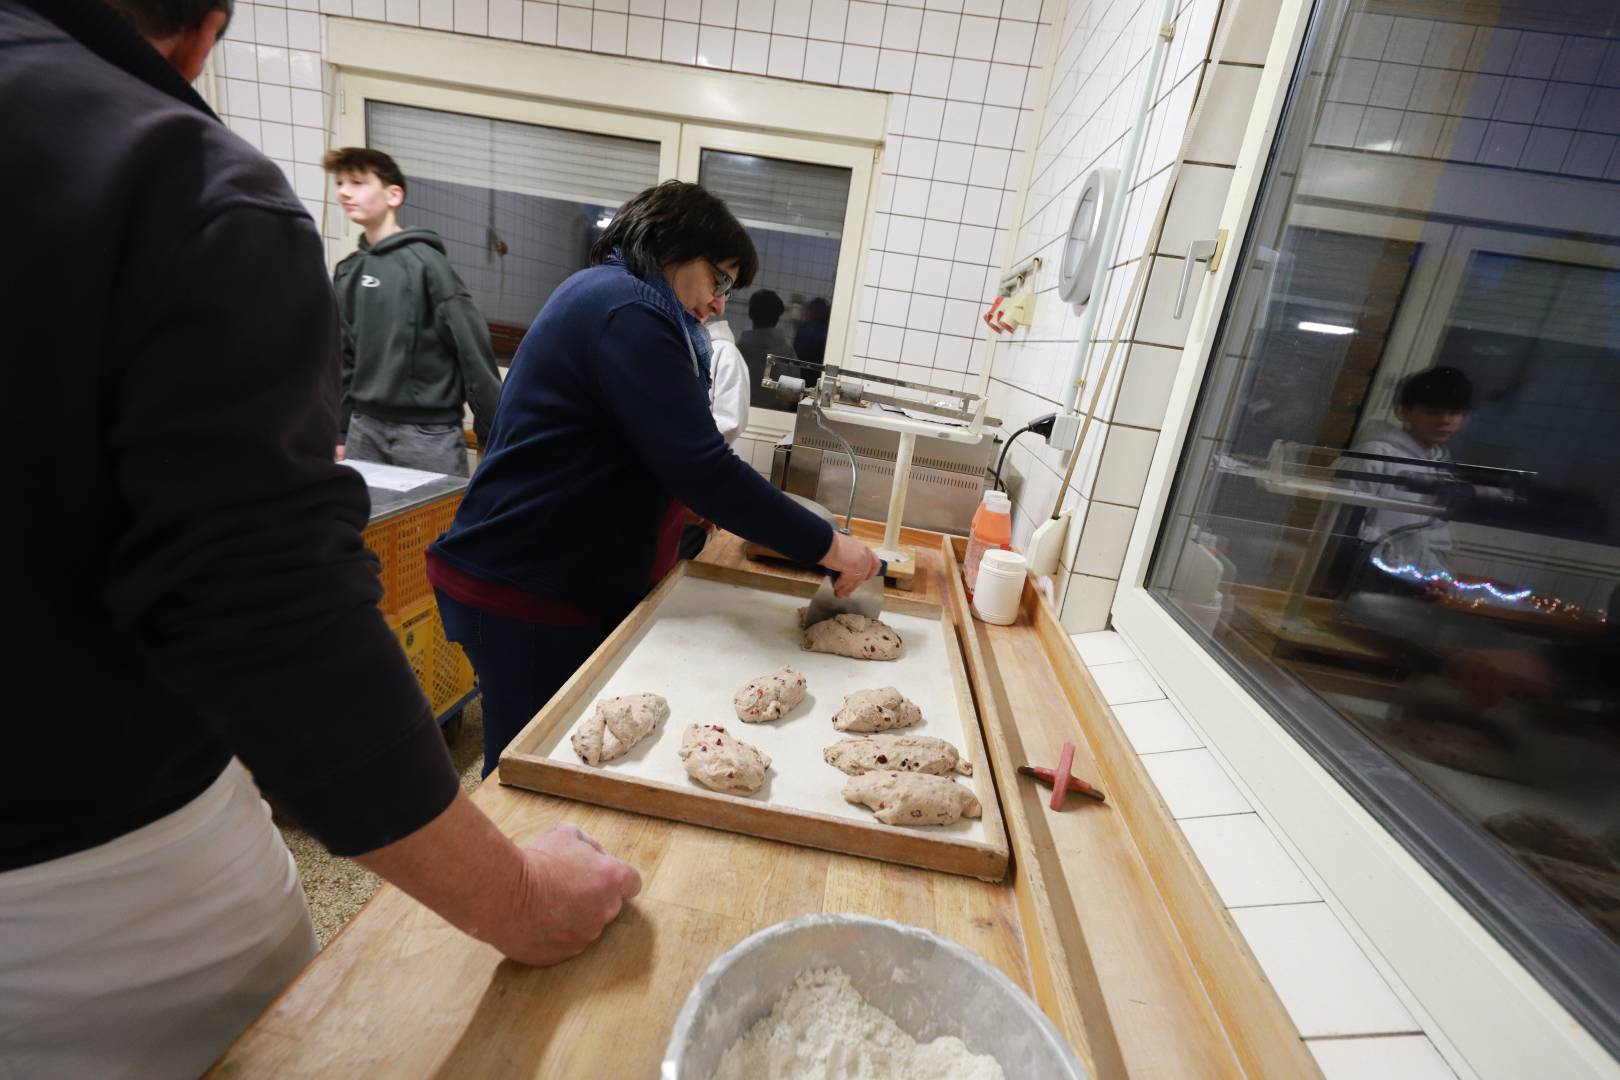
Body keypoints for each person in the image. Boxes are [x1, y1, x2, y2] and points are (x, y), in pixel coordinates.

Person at [0, 1, 639, 1074]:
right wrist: (517, 895)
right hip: (88, 894)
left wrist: (486, 444)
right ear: (205, 32)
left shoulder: (403, 259)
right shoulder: (182, 181)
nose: (345, 194)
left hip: (424, 439)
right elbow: (269, 615)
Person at [427, 182, 882, 775]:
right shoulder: (629, 310)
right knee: (530, 775)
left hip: (541, 577)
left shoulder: (612, 297)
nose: (720, 303)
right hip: (527, 585)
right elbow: (702, 468)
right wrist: (832, 547)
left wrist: (669, 500)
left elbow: (627, 445)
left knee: (553, 761)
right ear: (670, 246)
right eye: (720, 279)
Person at [326, 146, 503, 477]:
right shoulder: (348, 271)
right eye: (339, 183)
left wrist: (493, 434)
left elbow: (472, 353)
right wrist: (340, 430)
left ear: (393, 195)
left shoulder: (428, 266)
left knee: (438, 528)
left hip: (427, 436)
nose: (344, 192)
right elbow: (344, 358)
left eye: (358, 182)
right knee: (366, 526)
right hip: (363, 430)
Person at [1344, 365, 1474, 577]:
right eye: (1433, 412)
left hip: (1408, 581)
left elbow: (1436, 537)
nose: (1445, 420)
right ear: (1405, 412)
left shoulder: (1440, 466)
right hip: (1360, 574)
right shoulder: (1376, 454)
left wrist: (1434, 577)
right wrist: (1398, 567)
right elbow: (1344, 525)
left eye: (1455, 413)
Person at [679, 314, 752, 560]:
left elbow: (730, 422)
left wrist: (682, 441)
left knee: (676, 563)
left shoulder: (726, 354)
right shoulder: (679, 343)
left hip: (695, 480)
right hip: (670, 481)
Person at [737, 288, 797, 407]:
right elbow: (793, 395)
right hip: (775, 420)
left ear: (750, 314)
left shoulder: (738, 350)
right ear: (778, 316)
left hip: (741, 414)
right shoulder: (788, 353)